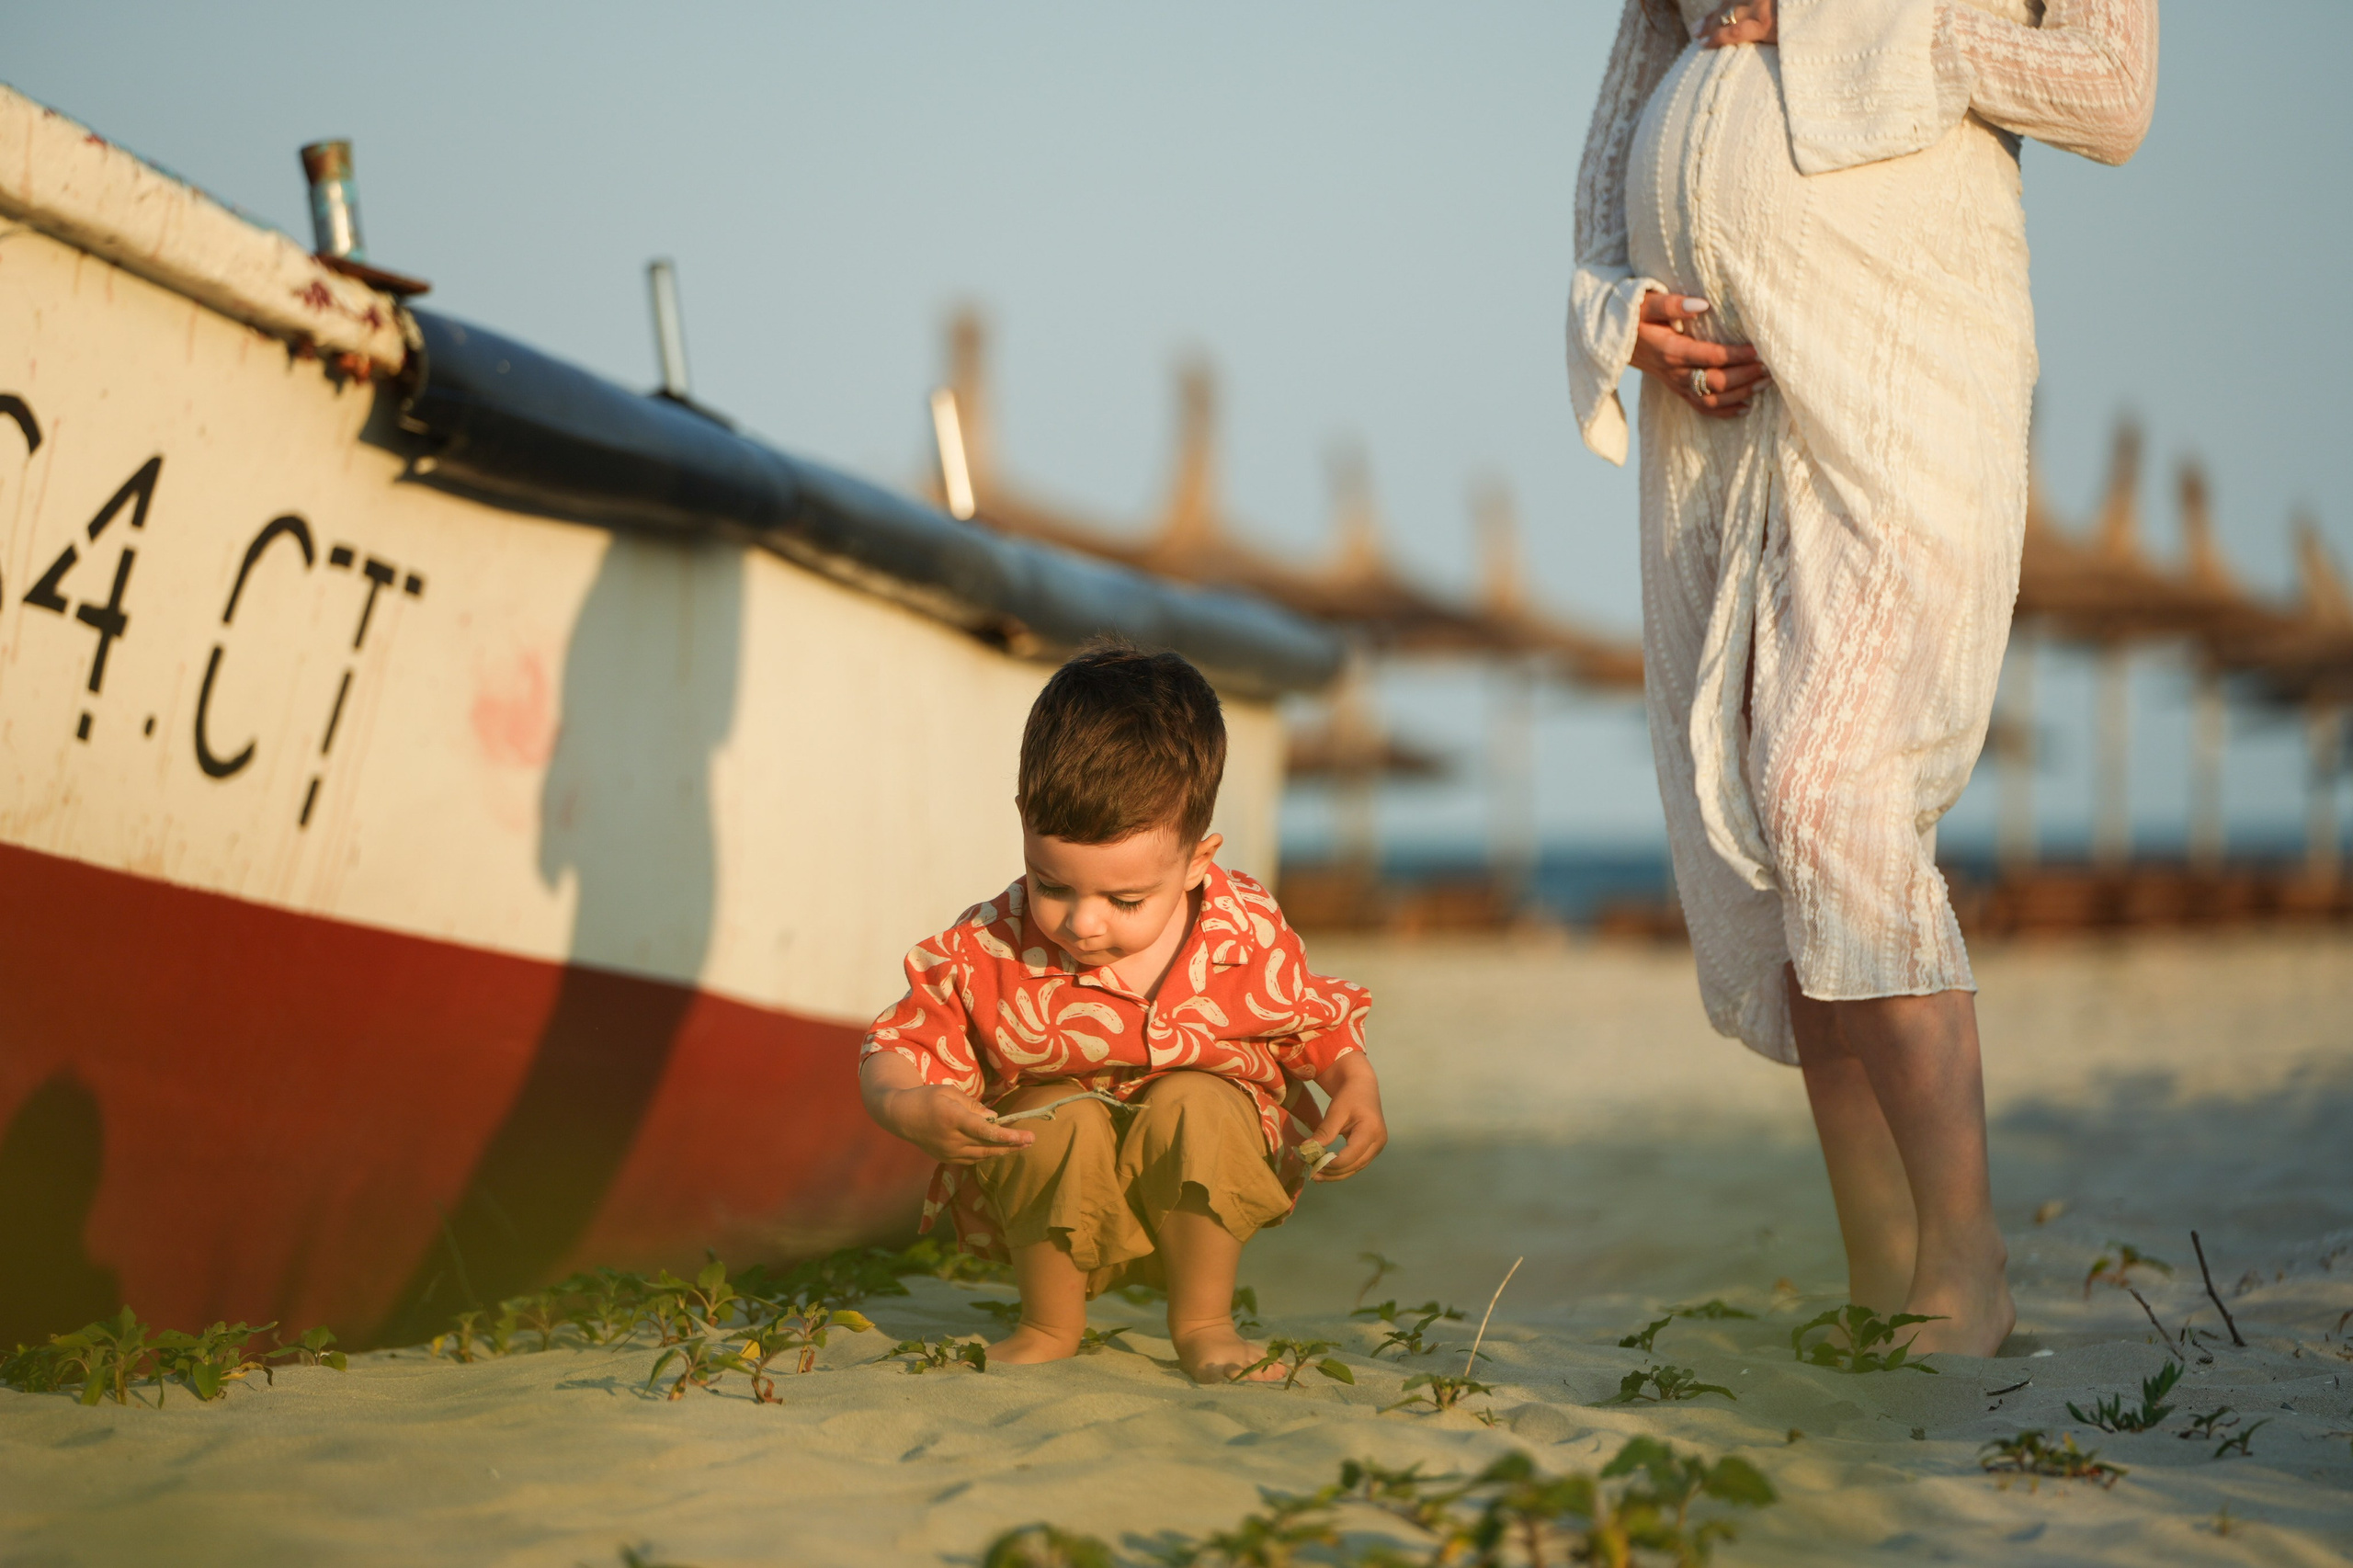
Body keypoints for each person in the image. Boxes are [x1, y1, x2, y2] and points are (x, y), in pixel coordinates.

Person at [1566, 0, 2155, 1355]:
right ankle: (1884, 1273)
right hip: (1710, 415)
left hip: (1900, 358)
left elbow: (2111, 91)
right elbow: (1620, 124)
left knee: (1829, 790)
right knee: (1775, 843)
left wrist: (1847, 26)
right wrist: (1619, 310)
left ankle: (1967, 1257)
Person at [858, 641, 1386, 1382]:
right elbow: (901, 1041)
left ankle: (1204, 1323)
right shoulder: (993, 947)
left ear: (1197, 862)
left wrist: (1355, 1084)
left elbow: (1311, 1019)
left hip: (1200, 1206)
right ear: (1024, 821)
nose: (1082, 923)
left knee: (1198, 1101)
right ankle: (1049, 1324)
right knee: (1049, 1117)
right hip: (1053, 1212)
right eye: (1052, 885)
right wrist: (904, 1105)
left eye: (1126, 899)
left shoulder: (1242, 930)